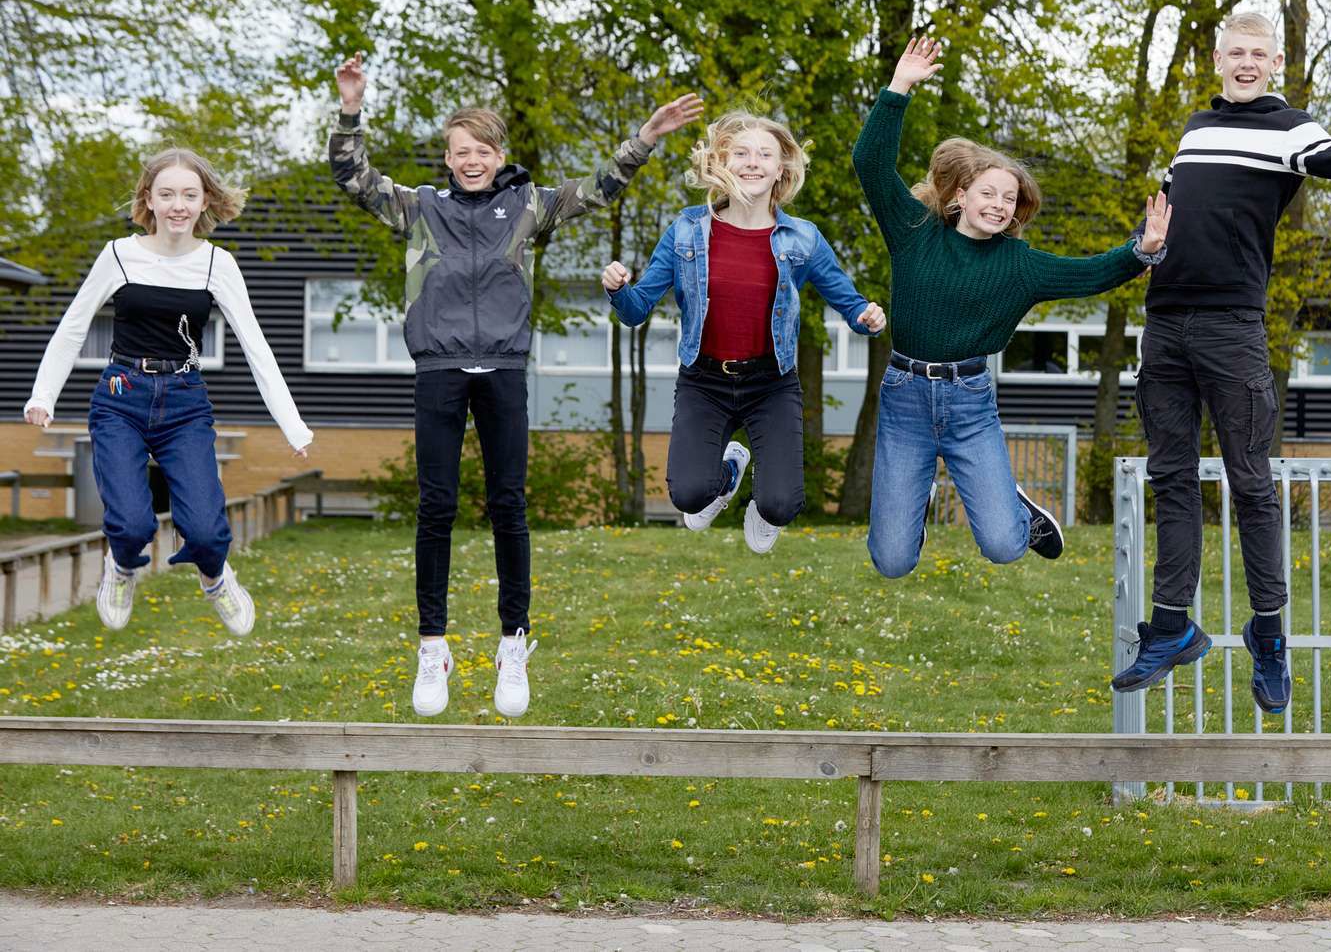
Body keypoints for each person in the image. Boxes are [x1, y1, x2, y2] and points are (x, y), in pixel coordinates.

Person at [330, 52, 702, 720]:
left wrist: (645, 137)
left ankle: (512, 643)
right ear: (446, 158)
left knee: (509, 505)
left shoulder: (527, 206)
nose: (471, 159)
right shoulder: (418, 209)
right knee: (436, 508)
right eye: (459, 151)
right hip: (438, 369)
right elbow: (352, 176)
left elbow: (597, 188)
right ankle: (432, 647)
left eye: (482, 149)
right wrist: (351, 107)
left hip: (502, 369)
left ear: (500, 153)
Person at [1111, 11, 1331, 714]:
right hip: (1165, 322)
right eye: (1236, 51)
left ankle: (1269, 635)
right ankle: (1171, 627)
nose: (1247, 61)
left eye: (1259, 53)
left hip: (1232, 327)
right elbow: (1173, 215)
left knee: (1250, 484)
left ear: (1276, 60)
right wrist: (1147, 239)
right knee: (1169, 476)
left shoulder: (1290, 128)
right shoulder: (1196, 127)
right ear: (1218, 57)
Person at [853, 37, 1168, 579]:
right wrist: (899, 87)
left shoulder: (1018, 265)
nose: (1000, 205)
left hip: (969, 400)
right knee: (892, 561)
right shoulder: (914, 234)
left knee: (1003, 545)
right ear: (959, 196)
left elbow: (1088, 273)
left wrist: (1143, 251)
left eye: (1010, 199)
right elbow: (871, 163)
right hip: (905, 397)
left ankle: (1015, 507)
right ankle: (910, 514)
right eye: (990, 193)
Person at [24, 149, 313, 638]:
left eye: (189, 194)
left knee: (204, 529)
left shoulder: (217, 264)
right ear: (149, 201)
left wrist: (292, 424)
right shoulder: (119, 253)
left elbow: (256, 347)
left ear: (205, 203)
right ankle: (120, 566)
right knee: (133, 523)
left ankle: (216, 577)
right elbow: (74, 327)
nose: (178, 205)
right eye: (167, 194)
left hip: (184, 401)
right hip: (121, 396)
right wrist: (42, 396)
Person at [605, 111, 885, 552]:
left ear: (781, 168)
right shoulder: (686, 231)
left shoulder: (802, 238)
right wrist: (618, 289)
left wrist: (866, 318)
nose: (752, 162)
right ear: (722, 161)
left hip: (771, 383)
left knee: (781, 504)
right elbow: (636, 310)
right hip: (704, 381)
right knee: (688, 496)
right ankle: (727, 476)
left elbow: (850, 303)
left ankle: (763, 507)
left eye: (764, 154)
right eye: (741, 153)